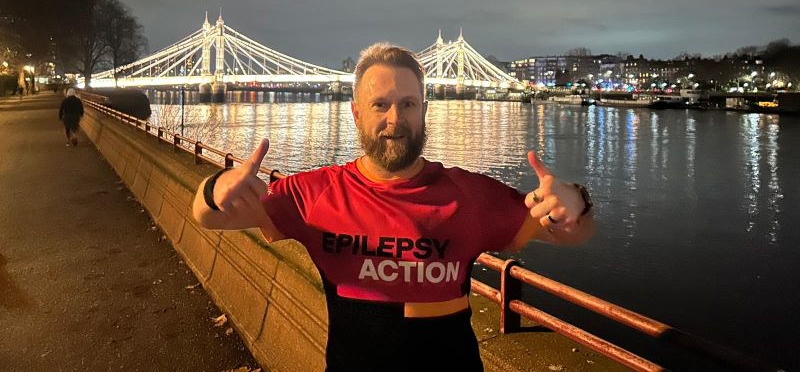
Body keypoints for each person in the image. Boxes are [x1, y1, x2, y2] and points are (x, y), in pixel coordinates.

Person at [193, 44, 594, 371]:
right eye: (379, 104)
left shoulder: (469, 196)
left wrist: (574, 203)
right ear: (355, 113)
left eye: (407, 104)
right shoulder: (316, 193)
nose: (394, 119)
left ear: (423, 110)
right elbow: (207, 216)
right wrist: (216, 188)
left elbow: (571, 233)